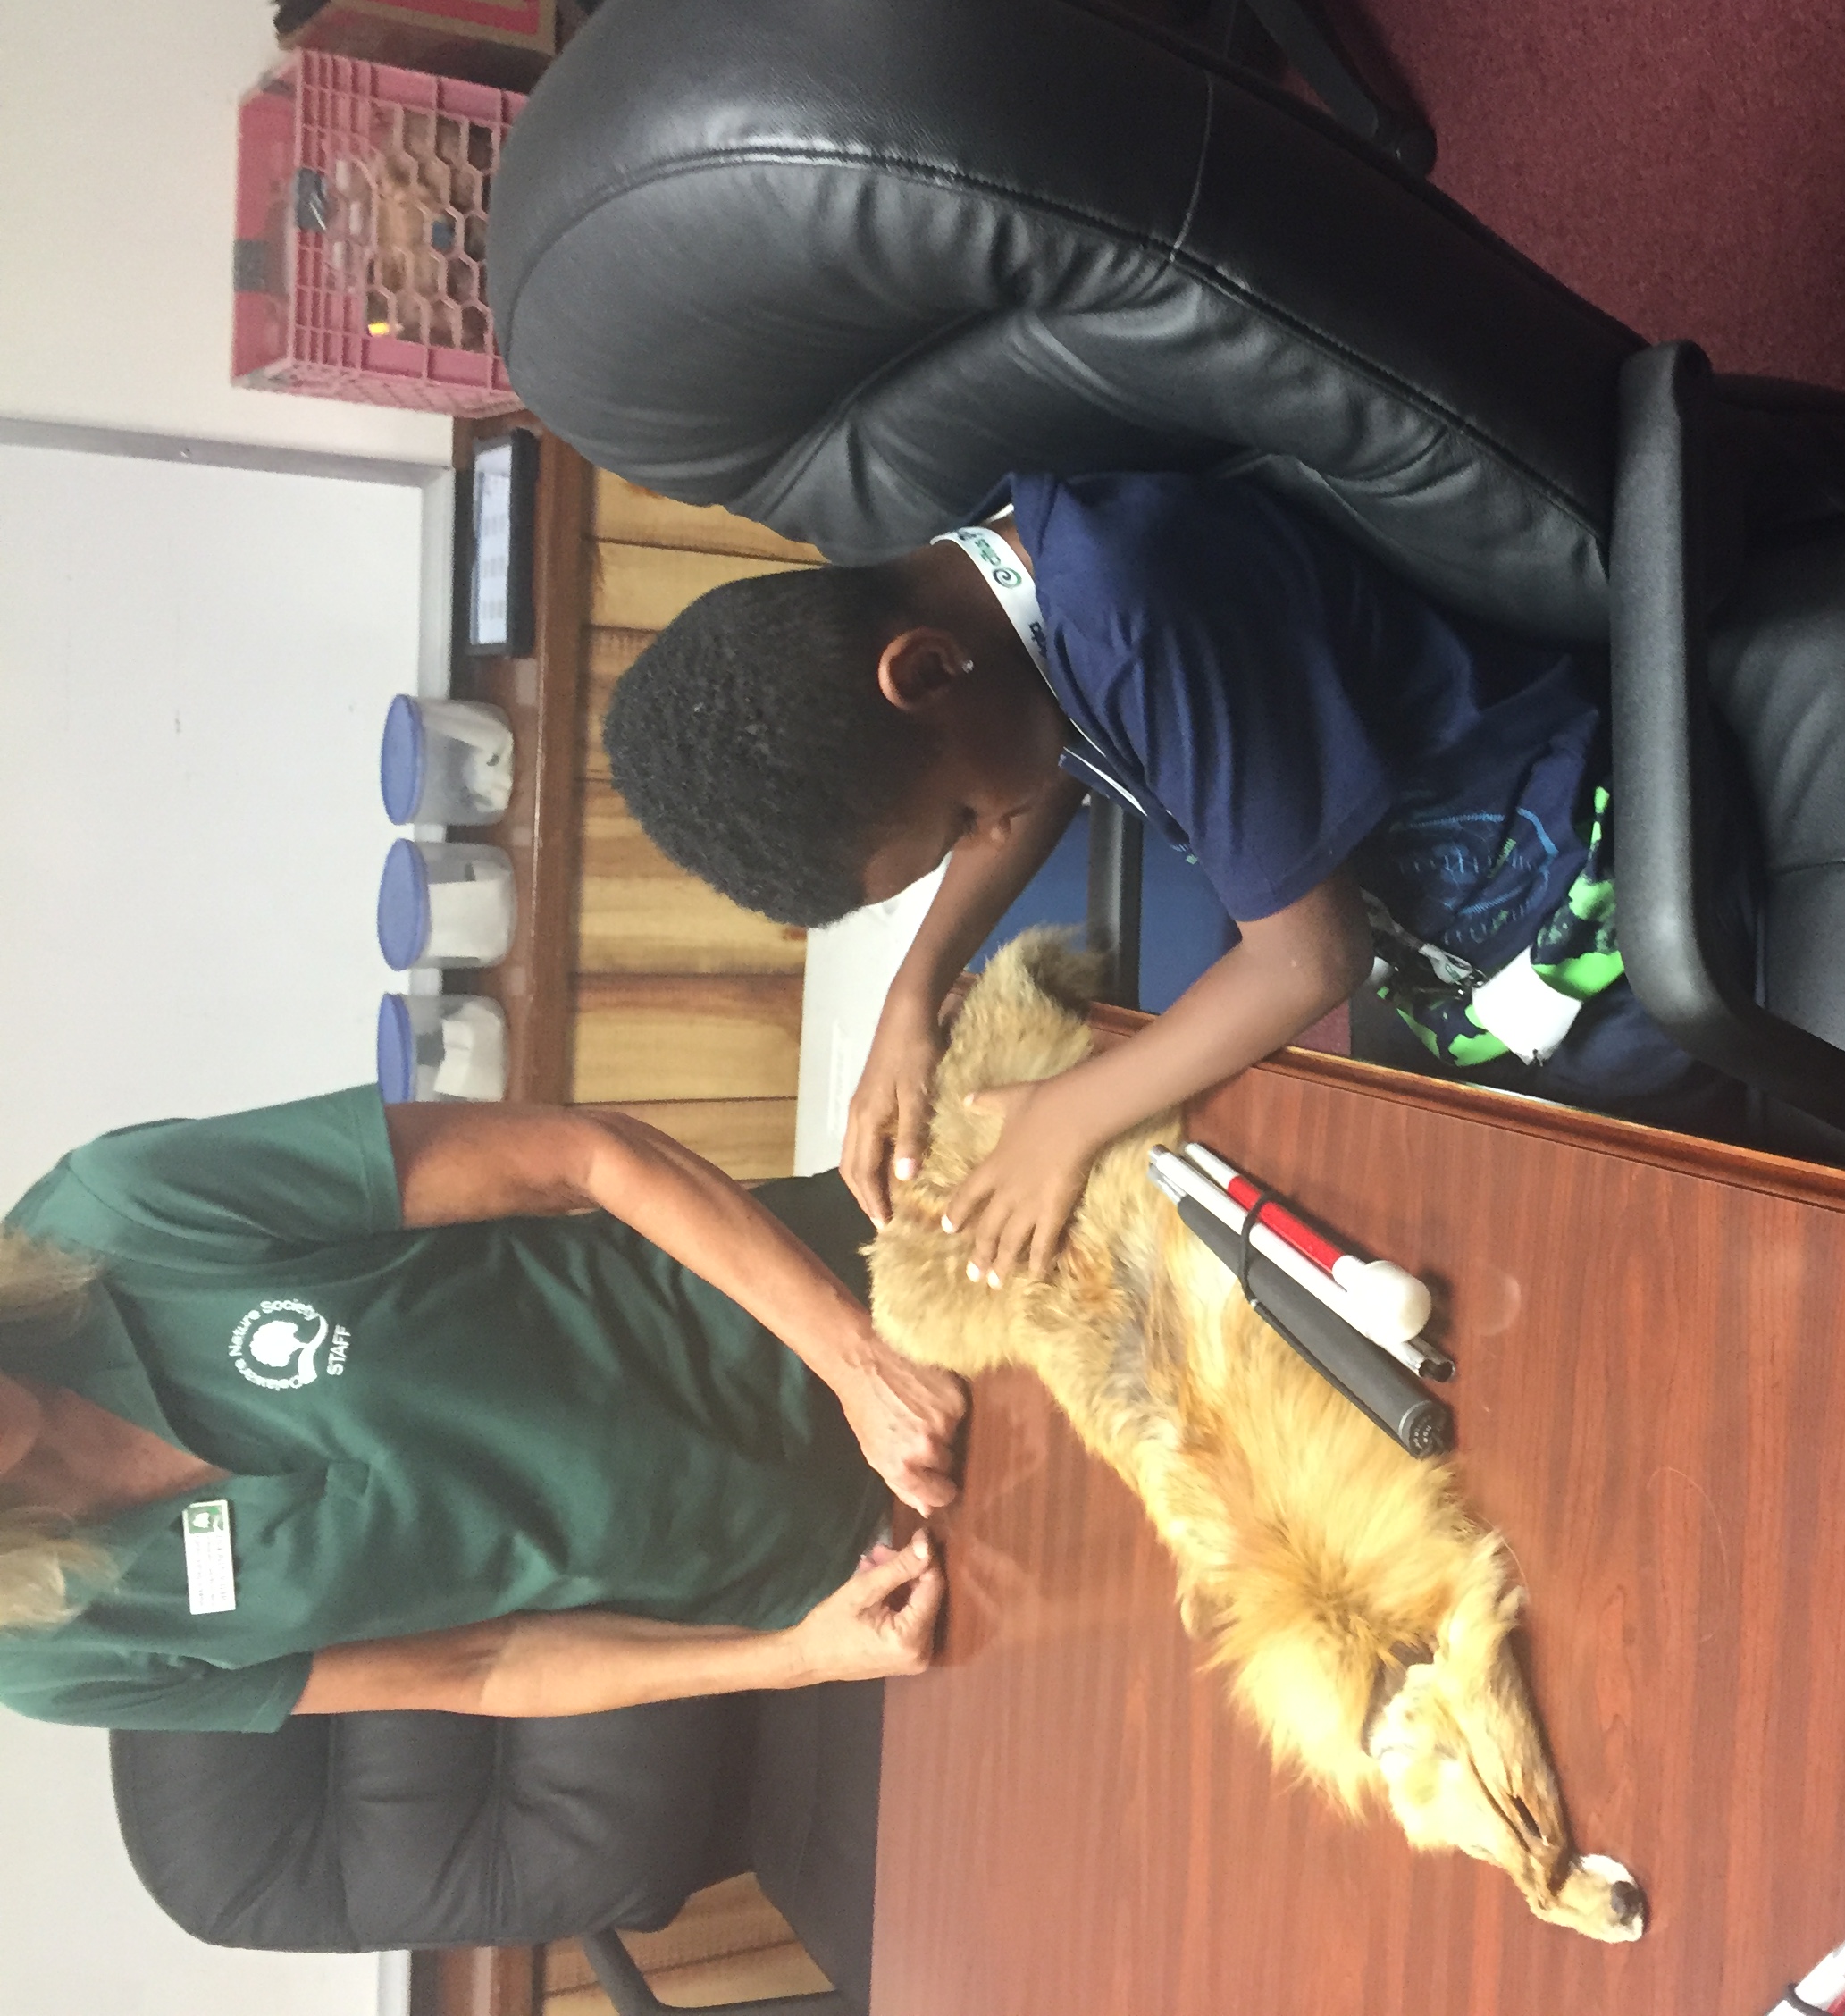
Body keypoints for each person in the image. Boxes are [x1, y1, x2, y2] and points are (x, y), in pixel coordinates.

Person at [602, 472, 1740, 1294]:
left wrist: (1070, 1117)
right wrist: (915, 992)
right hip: (1458, 958)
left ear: (929, 670)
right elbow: (1034, 769)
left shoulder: (1136, 614)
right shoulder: (995, 603)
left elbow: (1310, 961)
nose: (988, 835)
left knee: (1634, 1250)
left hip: (1600, 893)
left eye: (957, 822)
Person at [0, 1088, 963, 1730]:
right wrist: (795, 1658)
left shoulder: (113, 1217)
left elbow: (584, 1155)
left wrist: (858, 1363)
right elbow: (478, 1666)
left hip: (895, 1304)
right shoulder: (51, 1660)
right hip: (851, 1571)